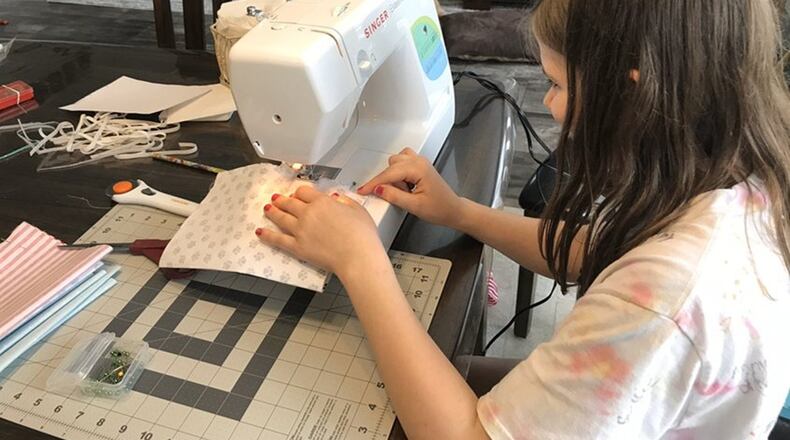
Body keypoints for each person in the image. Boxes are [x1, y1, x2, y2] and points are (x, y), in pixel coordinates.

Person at [254, 0, 790, 437]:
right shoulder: (743, 181)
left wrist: (361, 261)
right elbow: (601, 249)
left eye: (556, 84)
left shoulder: (664, 299)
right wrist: (460, 211)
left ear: (633, 91)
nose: (551, 104)